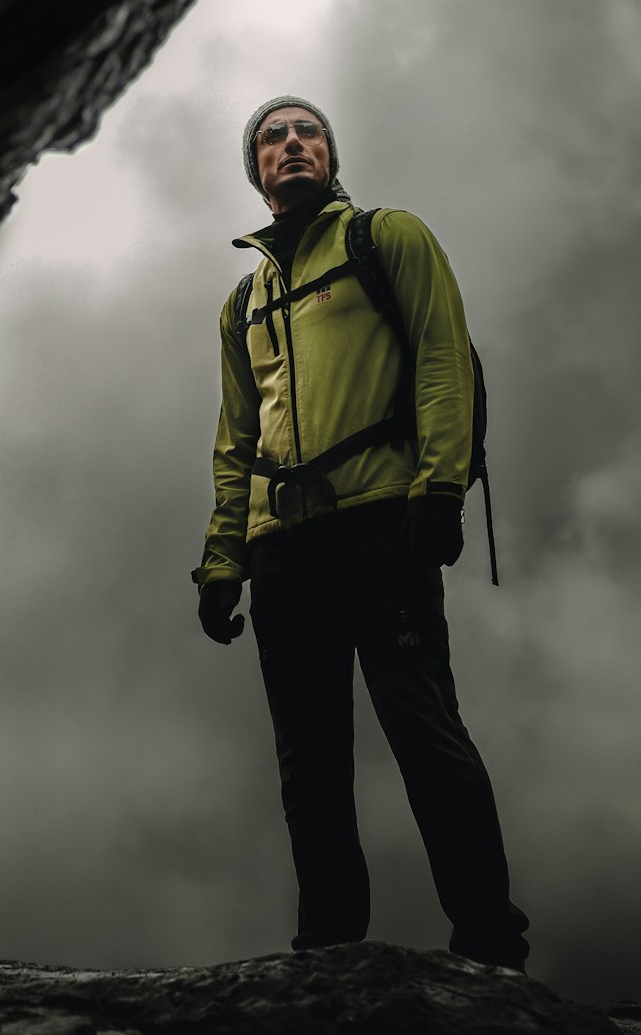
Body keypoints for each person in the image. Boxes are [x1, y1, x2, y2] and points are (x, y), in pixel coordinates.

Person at [192, 95, 529, 971]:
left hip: (383, 522)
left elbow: (442, 357)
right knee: (310, 765)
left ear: (330, 156)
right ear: (256, 171)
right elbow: (236, 441)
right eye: (273, 136)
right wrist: (223, 559)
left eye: (308, 132)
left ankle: (491, 944)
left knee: (426, 733)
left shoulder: (388, 237)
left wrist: (441, 489)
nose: (292, 144)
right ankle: (328, 950)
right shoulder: (243, 303)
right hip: (283, 551)